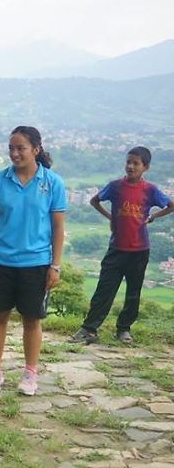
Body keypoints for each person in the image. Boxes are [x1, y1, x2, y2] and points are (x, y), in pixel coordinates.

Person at [0, 126, 66, 397]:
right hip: (1, 260)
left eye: (21, 148)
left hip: (36, 263)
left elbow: (58, 228)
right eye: (11, 149)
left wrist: (55, 265)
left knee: (32, 319)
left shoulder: (52, 182)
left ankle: (30, 372)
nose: (15, 154)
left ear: (36, 150)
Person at [70, 146, 173, 345]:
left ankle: (124, 329)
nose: (131, 166)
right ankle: (89, 328)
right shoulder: (116, 186)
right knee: (104, 289)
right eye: (128, 162)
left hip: (140, 249)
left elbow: (171, 205)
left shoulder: (150, 190)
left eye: (136, 163)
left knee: (133, 292)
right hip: (117, 248)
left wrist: (151, 217)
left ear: (146, 167)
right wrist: (111, 217)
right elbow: (95, 201)